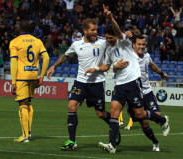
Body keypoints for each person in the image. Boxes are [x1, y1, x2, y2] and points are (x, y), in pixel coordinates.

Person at [85, 8, 170, 154]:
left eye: (111, 37)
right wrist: (97, 69)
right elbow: (106, 66)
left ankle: (162, 121)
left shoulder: (123, 42)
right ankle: (112, 145)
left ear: (116, 37)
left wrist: (111, 17)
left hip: (132, 83)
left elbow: (118, 30)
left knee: (140, 115)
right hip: (119, 85)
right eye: (107, 37)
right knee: (113, 113)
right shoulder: (109, 50)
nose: (109, 40)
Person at [46, 16, 119, 150]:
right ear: (85, 31)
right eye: (92, 30)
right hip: (80, 82)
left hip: (97, 83)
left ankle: (114, 126)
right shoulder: (76, 44)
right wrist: (53, 66)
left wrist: (127, 35)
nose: (95, 32)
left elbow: (117, 39)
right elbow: (66, 56)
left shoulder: (103, 42)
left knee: (101, 114)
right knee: (71, 106)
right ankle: (72, 142)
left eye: (96, 30)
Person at [10, 20, 50, 143]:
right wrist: (41, 76)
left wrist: (13, 82)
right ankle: (29, 132)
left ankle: (25, 135)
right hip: (34, 74)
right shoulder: (37, 41)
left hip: (22, 76)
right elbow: (46, 58)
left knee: (22, 103)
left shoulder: (15, 42)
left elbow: (14, 62)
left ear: (20, 28)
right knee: (28, 102)